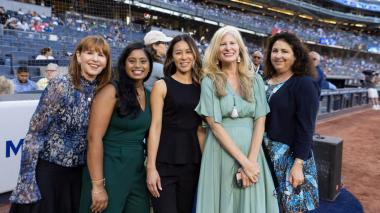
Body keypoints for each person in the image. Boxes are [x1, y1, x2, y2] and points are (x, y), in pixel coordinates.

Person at [9, 35, 112, 213]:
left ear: (107, 62)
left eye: (101, 55)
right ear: (78, 56)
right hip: (49, 173)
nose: (95, 59)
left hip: (79, 175)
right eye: (90, 53)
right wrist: (26, 182)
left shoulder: (104, 91)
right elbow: (35, 133)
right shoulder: (60, 86)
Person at [195, 26, 279, 213]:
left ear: (240, 49)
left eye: (232, 43)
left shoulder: (255, 80)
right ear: (216, 51)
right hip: (219, 151)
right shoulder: (208, 80)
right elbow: (214, 125)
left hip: (252, 150)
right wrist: (245, 163)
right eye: (222, 44)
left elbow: (260, 121)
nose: (228, 47)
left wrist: (251, 161)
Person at [79, 42, 153, 213]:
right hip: (109, 166)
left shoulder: (149, 95)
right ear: (123, 64)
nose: (137, 66)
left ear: (150, 65)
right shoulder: (111, 90)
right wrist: (97, 186)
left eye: (143, 61)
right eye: (132, 61)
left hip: (136, 168)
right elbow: (93, 138)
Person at [146, 34, 205, 213]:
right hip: (164, 163)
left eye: (188, 52)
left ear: (195, 55)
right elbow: (155, 128)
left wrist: (205, 164)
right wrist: (151, 168)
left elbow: (201, 130)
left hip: (192, 163)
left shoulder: (202, 87)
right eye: (178, 53)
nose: (184, 57)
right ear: (171, 57)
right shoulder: (162, 86)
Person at [263, 32, 319, 212]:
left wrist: (298, 164)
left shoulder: (303, 84)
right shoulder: (263, 81)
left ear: (296, 55)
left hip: (290, 158)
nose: (278, 55)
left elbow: (306, 127)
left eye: (285, 51)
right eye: (275, 51)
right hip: (263, 154)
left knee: (292, 207)